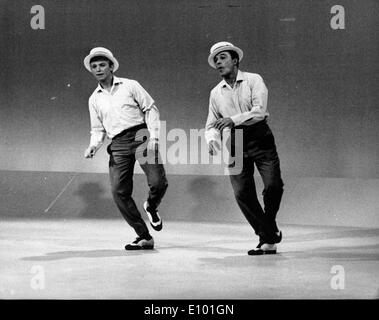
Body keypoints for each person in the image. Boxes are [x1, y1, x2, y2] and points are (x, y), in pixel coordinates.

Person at [83, 47, 168, 250]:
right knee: (119, 192)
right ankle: (144, 236)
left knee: (158, 182)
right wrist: (93, 146)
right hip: (118, 144)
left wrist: (155, 137)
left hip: (141, 135)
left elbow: (150, 108)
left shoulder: (130, 85)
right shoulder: (94, 99)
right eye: (94, 66)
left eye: (102, 64)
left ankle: (151, 206)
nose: (98, 69)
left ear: (111, 66)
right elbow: (97, 129)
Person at [205, 42, 284, 255]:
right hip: (236, 143)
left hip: (260, 137)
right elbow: (212, 123)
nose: (218, 63)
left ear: (235, 60)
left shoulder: (253, 80)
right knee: (242, 192)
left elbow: (259, 111)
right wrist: (212, 140)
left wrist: (233, 120)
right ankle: (267, 236)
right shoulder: (216, 93)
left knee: (274, 186)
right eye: (216, 60)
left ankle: (267, 230)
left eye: (222, 58)